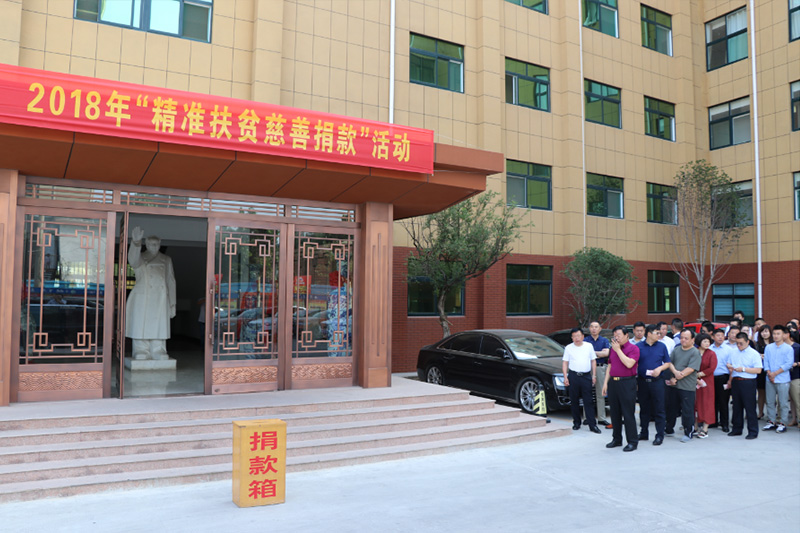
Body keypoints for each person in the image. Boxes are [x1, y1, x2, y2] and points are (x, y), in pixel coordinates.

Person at [126, 226, 176, 361]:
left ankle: (158, 349)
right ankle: (141, 349)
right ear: (147, 244)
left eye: (156, 244)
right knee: (141, 323)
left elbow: (171, 281)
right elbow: (133, 260)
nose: (154, 246)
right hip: (143, 295)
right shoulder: (141, 258)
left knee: (159, 323)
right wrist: (136, 243)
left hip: (160, 297)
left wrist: (172, 304)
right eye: (151, 244)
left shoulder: (166, 259)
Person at [602, 326, 640, 452]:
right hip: (613, 383)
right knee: (614, 413)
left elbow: (629, 364)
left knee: (628, 413)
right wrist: (605, 383)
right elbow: (610, 365)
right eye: (614, 335)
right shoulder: (612, 349)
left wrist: (618, 350)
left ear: (626, 335)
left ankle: (632, 441)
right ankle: (617, 439)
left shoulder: (633, 348)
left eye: (618, 335)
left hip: (627, 383)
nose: (616, 337)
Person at [635, 324, 671, 445]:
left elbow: (667, 362)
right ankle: (644, 433)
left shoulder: (661, 346)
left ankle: (659, 435)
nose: (659, 335)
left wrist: (660, 369)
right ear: (649, 334)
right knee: (644, 409)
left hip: (657, 382)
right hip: (642, 382)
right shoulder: (638, 347)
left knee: (659, 409)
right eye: (657, 333)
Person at [665, 329, 702, 443]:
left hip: (687, 386)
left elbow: (691, 369)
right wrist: (674, 373)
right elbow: (669, 362)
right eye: (681, 338)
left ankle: (688, 432)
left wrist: (676, 376)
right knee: (671, 408)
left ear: (692, 340)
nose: (683, 340)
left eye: (686, 338)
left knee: (687, 410)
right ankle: (669, 429)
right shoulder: (676, 350)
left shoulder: (695, 352)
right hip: (674, 385)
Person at [562, 328, 601, 434]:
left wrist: (594, 375)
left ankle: (592, 425)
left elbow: (593, 361)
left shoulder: (589, 346)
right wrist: (565, 377)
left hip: (586, 376)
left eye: (578, 335)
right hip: (573, 376)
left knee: (589, 401)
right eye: (574, 336)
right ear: (572, 338)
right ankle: (576, 423)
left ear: (583, 336)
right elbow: (565, 363)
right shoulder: (568, 348)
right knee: (574, 400)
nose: (577, 338)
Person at [727, 332, 763, 440]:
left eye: (741, 343)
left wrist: (743, 369)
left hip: (748, 382)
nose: (739, 346)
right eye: (737, 343)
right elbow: (729, 364)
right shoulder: (733, 352)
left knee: (750, 407)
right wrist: (730, 367)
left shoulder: (754, 353)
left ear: (747, 342)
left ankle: (753, 431)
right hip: (736, 380)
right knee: (736, 406)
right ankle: (737, 429)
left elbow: (758, 370)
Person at [762, 325, 794, 433]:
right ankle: (771, 421)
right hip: (769, 379)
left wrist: (775, 373)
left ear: (783, 335)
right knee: (770, 401)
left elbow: (788, 364)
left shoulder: (788, 348)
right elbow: (766, 361)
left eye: (778, 334)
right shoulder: (768, 347)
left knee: (783, 403)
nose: (776, 336)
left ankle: (782, 423)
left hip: (783, 379)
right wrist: (769, 373)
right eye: (774, 334)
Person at [586, 321, 611, 427]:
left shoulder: (604, 340)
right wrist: (599, 353)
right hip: (588, 368)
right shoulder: (585, 341)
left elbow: (607, 353)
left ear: (600, 329)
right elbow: (585, 354)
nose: (594, 329)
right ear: (589, 328)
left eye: (596, 327)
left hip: (600, 368)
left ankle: (601, 418)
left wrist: (592, 353)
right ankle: (587, 417)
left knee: (600, 394)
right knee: (587, 394)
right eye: (592, 327)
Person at [709, 328, 734, 432]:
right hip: (711, 378)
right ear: (713, 337)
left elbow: (731, 366)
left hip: (723, 377)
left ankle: (724, 424)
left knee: (723, 401)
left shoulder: (729, 350)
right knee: (712, 401)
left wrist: (730, 380)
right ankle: (713, 421)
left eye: (722, 335)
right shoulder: (709, 348)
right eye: (718, 335)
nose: (720, 337)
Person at [694, 333, 717, 438]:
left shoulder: (711, 353)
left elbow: (712, 368)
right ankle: (695, 426)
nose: (707, 343)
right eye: (704, 341)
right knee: (695, 403)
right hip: (693, 380)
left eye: (708, 341)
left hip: (707, 381)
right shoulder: (694, 352)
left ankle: (705, 428)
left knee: (707, 403)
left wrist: (699, 374)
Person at [754, 324, 772, 419]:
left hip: (772, 370)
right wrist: (759, 356)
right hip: (761, 371)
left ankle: (771, 414)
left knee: (771, 394)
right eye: (762, 331)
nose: (764, 333)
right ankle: (760, 412)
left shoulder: (774, 343)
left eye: (766, 331)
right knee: (761, 393)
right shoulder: (757, 344)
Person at [788, 330, 800, 428]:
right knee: (791, 399)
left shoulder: (797, 347)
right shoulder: (783, 347)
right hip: (785, 376)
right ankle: (794, 419)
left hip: (796, 375)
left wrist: (796, 364)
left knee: (797, 400)